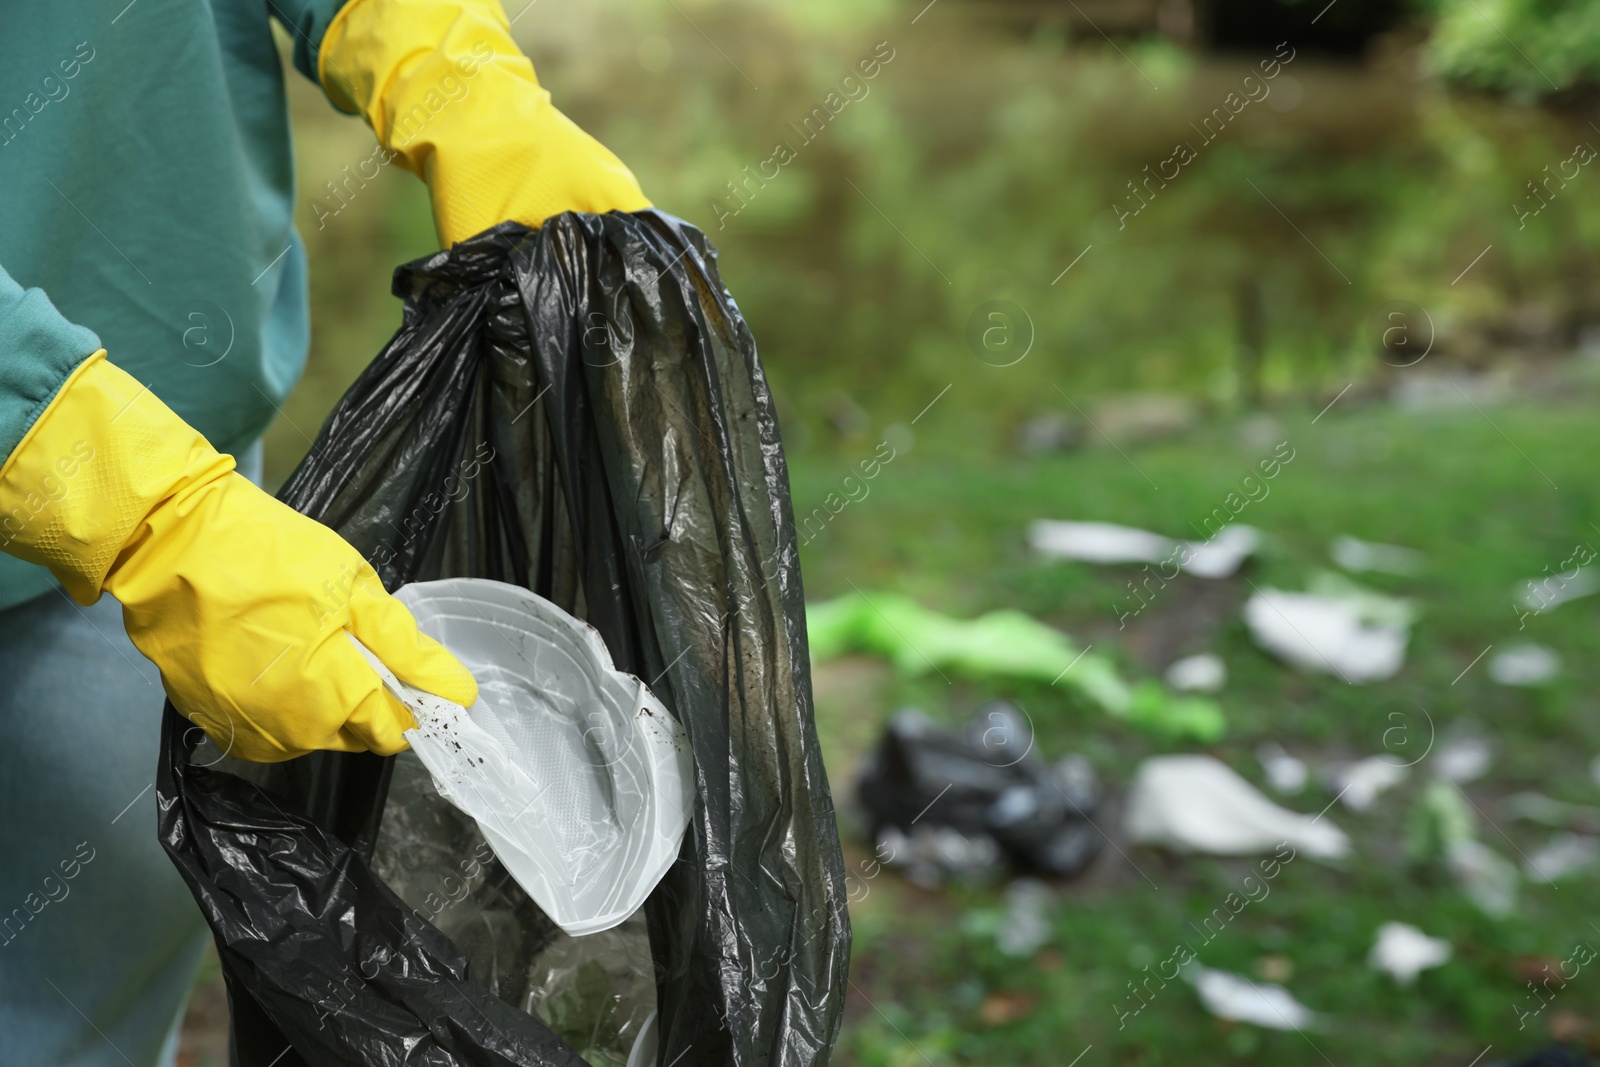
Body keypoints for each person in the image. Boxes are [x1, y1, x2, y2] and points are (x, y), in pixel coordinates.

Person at [0, 1, 650, 1062]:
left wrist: (441, 61)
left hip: (166, 415)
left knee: (76, 1008)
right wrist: (135, 507)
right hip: (157, 511)